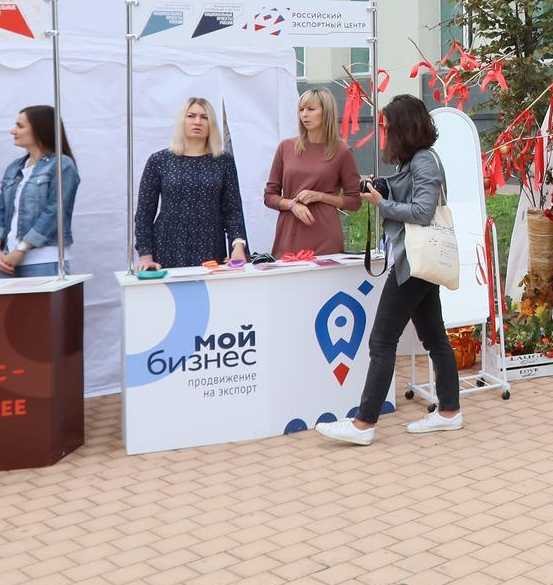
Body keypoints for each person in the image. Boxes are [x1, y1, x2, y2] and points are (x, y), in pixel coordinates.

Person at [318, 95, 464, 444]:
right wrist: (383, 188)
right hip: (416, 263)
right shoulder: (415, 160)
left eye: (386, 127)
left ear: (403, 127)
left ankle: (364, 424)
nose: (383, 134)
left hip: (413, 265)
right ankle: (449, 411)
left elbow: (423, 212)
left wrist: (381, 203)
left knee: (381, 340)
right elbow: (408, 193)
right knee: (434, 337)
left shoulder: (425, 161)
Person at [133, 98, 249, 269]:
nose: (197, 121)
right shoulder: (159, 160)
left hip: (211, 248)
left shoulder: (223, 161)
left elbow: (233, 210)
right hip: (167, 247)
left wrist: (238, 247)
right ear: (182, 120)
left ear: (211, 124)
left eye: (204, 117)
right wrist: (145, 257)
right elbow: (144, 213)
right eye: (191, 116)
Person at [265, 89, 362, 257]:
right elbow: (269, 196)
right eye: (301, 110)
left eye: (310, 109)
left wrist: (320, 196)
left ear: (326, 112)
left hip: (325, 236)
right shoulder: (285, 147)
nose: (304, 115)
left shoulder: (342, 152)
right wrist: (292, 205)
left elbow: (354, 201)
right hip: (289, 233)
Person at [0, 106, 78, 278]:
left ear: (40, 129)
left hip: (44, 260)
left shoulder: (62, 164)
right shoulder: (15, 167)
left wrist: (21, 249)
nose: (13, 131)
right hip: (8, 259)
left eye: (20, 126)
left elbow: (55, 212)